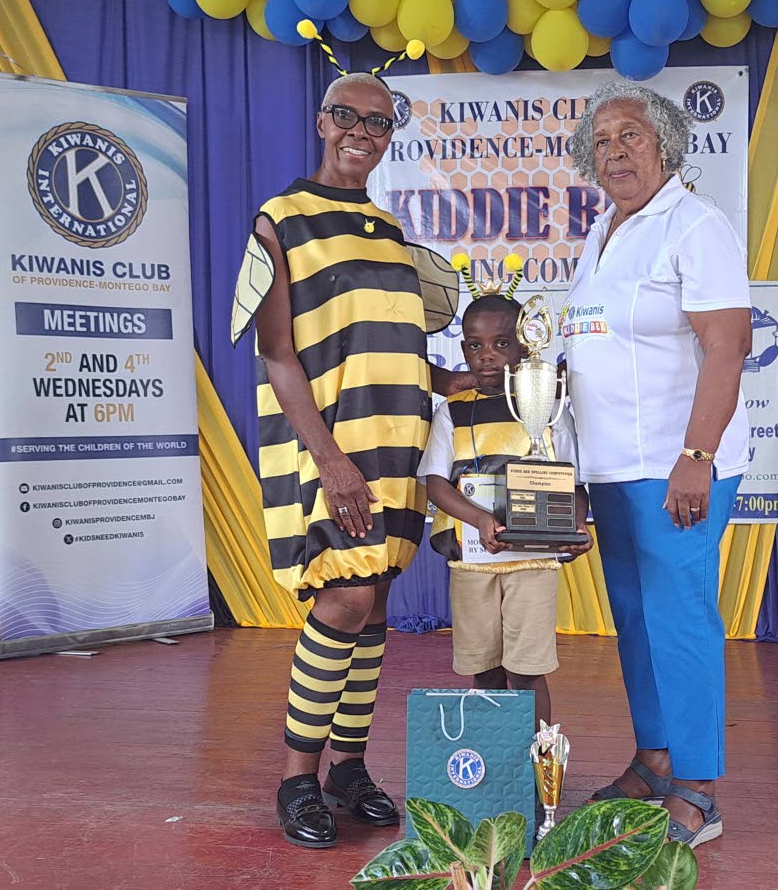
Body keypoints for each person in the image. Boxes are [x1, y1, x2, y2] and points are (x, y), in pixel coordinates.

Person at [231, 72, 471, 849]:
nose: (362, 131)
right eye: (347, 116)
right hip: (330, 444)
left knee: (373, 609)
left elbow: (394, 348)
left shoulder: (390, 230)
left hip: (396, 442)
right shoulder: (281, 219)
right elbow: (280, 359)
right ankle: (298, 775)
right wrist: (330, 461)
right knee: (339, 601)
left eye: (378, 120)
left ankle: (349, 768)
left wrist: (450, 381)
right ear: (322, 121)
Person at [561, 80, 753, 848]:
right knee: (636, 623)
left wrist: (697, 457)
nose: (615, 151)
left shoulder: (696, 225)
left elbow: (727, 347)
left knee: (680, 625)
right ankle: (655, 757)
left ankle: (699, 790)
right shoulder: (599, 234)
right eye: (602, 141)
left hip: (677, 468)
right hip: (611, 469)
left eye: (631, 136)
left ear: (667, 146)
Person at [417, 293, 591, 729]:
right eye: (474, 346)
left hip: (531, 561)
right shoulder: (452, 412)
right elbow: (436, 482)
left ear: (526, 345)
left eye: (501, 343)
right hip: (472, 562)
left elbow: (572, 479)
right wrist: (478, 519)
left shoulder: (549, 403)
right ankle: (496, 766)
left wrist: (575, 522)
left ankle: (537, 770)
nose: (487, 356)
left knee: (527, 668)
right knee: (485, 668)